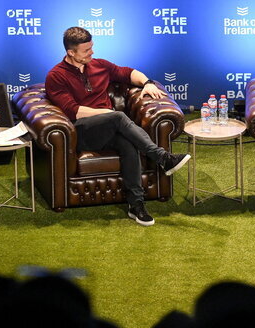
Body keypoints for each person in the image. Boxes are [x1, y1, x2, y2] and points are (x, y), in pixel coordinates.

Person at [45, 27, 190, 226]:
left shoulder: (100, 65)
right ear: (71, 52)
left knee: (128, 144)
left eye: (92, 47)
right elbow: (73, 111)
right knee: (118, 118)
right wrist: (110, 114)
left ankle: (136, 205)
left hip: (111, 128)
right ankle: (162, 157)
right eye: (86, 50)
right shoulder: (56, 76)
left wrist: (147, 82)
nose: (92, 52)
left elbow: (128, 73)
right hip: (82, 131)